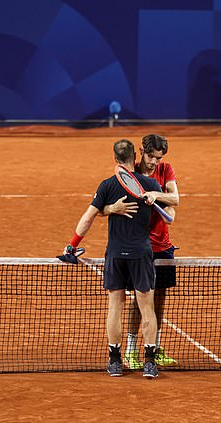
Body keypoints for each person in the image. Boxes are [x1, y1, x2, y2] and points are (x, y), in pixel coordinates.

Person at [64, 139, 163, 378]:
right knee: (147, 308)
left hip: (116, 254)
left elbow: (88, 218)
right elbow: (168, 213)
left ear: (115, 159)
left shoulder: (107, 185)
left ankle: (115, 360)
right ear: (134, 158)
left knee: (115, 308)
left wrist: (72, 246)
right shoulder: (150, 184)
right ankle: (149, 362)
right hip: (141, 254)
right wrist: (154, 197)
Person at [102, 134, 179, 369]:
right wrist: (110, 209)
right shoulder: (128, 174)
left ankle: (153, 345)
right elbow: (103, 206)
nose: (155, 162)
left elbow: (175, 199)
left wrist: (157, 195)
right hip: (138, 247)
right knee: (138, 301)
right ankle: (132, 348)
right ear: (141, 152)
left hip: (162, 245)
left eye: (159, 158)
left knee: (159, 298)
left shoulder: (166, 170)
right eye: (151, 156)